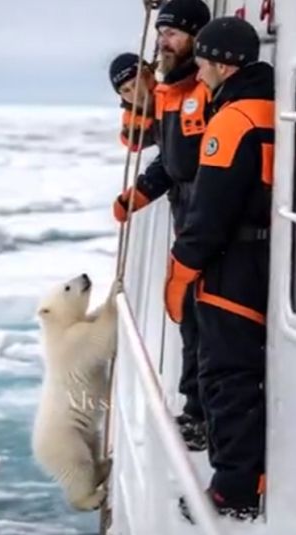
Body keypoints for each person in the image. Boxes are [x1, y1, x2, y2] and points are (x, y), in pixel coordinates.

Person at [164, 16, 274, 518]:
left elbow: (210, 213)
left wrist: (182, 270)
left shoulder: (232, 121)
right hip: (264, 258)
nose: (200, 69)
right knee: (246, 372)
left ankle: (233, 492)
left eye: (205, 61)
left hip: (232, 266)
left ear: (223, 64)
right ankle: (251, 475)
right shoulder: (269, 106)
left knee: (226, 375)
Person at [112, 0, 211, 451]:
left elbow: (187, 161)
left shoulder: (197, 89)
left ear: (195, 35)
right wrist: (139, 195)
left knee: (209, 323)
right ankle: (197, 411)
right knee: (193, 318)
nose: (162, 42)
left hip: (210, 228)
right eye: (161, 34)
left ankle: (203, 415)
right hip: (190, 224)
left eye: (171, 33)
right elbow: (164, 155)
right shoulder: (172, 91)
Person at [109, 52, 157, 152]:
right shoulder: (132, 118)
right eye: (126, 90)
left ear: (149, 75)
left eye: (136, 84)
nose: (135, 94)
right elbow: (128, 141)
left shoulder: (174, 90)